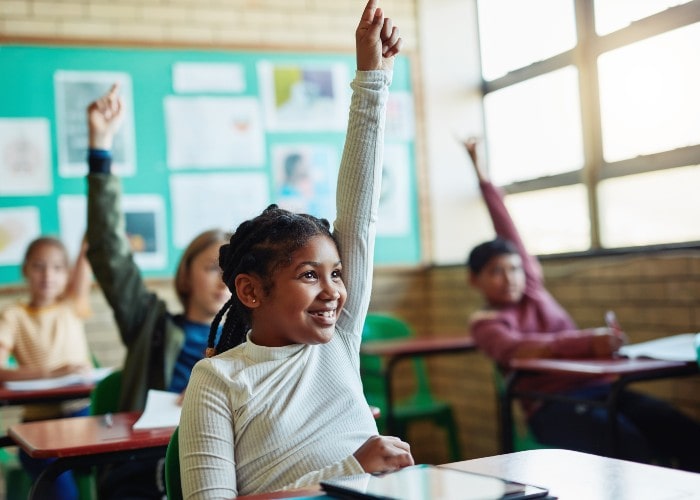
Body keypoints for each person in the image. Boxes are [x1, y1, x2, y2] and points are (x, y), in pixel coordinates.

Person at [178, 2, 413, 498]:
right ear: (251, 290)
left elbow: (359, 215)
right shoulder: (218, 379)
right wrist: (353, 468)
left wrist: (373, 78)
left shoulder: (337, 343)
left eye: (337, 274)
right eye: (309, 275)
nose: (333, 292)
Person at [463, 137, 700, 471]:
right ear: (475, 280)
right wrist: (589, 340)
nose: (510, 277)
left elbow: (507, 228)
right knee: (630, 445)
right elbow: (524, 348)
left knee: (682, 431)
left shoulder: (531, 288)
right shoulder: (486, 323)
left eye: (514, 267)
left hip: (600, 389)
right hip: (552, 407)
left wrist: (482, 174)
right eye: (495, 272)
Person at [85, 85, 232, 498]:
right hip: (145, 471)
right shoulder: (149, 325)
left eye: (232, 271)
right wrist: (101, 146)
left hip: (220, 469)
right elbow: (109, 252)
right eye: (210, 268)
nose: (223, 281)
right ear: (185, 276)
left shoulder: (252, 339)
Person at [0, 236, 93, 500]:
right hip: (39, 424)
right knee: (58, 484)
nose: (47, 275)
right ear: (25, 270)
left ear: (67, 274)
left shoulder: (72, 305)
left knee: (118, 466)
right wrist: (53, 373)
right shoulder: (13, 315)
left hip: (82, 418)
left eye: (57, 268)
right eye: (38, 266)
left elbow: (86, 253)